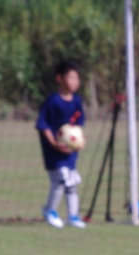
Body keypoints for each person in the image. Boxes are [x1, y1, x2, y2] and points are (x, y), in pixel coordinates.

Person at [35, 59, 86, 229]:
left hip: (70, 151)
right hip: (54, 151)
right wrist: (54, 143)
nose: (75, 81)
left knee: (71, 183)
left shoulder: (76, 101)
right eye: (71, 77)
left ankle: (73, 216)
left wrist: (80, 140)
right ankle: (50, 211)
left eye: (77, 78)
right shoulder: (53, 101)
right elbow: (43, 125)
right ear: (59, 79)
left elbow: (78, 126)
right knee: (61, 179)